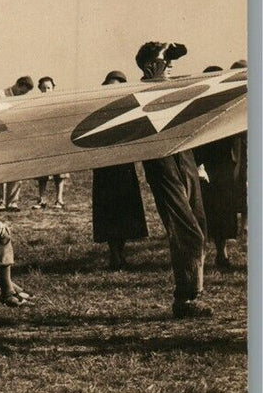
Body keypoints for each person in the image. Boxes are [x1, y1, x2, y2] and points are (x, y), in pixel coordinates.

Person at [135, 41, 210, 318]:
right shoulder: (136, 94)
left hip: (185, 158)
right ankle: (186, 298)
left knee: (199, 224)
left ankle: (194, 292)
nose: (172, 64)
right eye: (167, 60)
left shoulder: (175, 88)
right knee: (186, 230)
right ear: (151, 66)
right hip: (162, 163)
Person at [90, 70, 148, 268]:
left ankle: (119, 253)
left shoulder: (128, 111)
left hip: (124, 169)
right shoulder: (96, 113)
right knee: (109, 213)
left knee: (124, 212)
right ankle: (115, 254)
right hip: (105, 169)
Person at [194, 65, 245, 271]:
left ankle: (222, 252)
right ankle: (204, 253)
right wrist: (199, 166)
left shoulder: (228, 105)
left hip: (224, 165)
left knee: (224, 210)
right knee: (205, 211)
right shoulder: (199, 108)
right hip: (205, 165)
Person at [0, 76, 35, 211]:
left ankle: (12, 203)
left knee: (17, 170)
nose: (23, 95)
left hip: (16, 137)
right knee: (0, 170)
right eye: (22, 92)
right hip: (0, 137)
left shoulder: (23, 99)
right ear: (17, 85)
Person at [32, 76, 69, 207]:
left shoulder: (59, 103)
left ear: (53, 88)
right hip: (42, 141)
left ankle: (59, 199)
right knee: (42, 173)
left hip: (57, 140)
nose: (46, 90)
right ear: (39, 89)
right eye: (43, 88)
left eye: (48, 88)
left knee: (59, 173)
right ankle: (42, 200)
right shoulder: (36, 104)